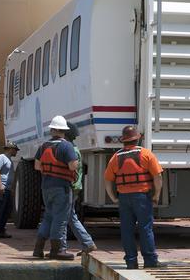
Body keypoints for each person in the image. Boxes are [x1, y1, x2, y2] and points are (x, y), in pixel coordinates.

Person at [105, 125, 163, 269]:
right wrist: (156, 194)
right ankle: (150, 261)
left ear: (123, 140)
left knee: (126, 230)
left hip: (124, 198)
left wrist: (113, 197)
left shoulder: (115, 157)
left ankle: (131, 262)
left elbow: (107, 180)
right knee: (145, 228)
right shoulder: (146, 154)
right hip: (142, 197)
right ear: (138, 139)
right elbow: (158, 176)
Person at [33, 115, 79, 260]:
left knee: (48, 217)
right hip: (62, 188)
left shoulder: (43, 146)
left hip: (46, 187)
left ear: (52, 130)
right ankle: (57, 250)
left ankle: (38, 248)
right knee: (60, 219)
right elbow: (72, 166)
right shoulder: (66, 146)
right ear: (64, 131)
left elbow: (37, 166)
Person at [63, 123, 98, 255]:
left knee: (65, 216)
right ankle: (87, 243)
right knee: (70, 216)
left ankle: (65, 247)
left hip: (71, 187)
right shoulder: (74, 148)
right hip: (75, 186)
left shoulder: (70, 149)